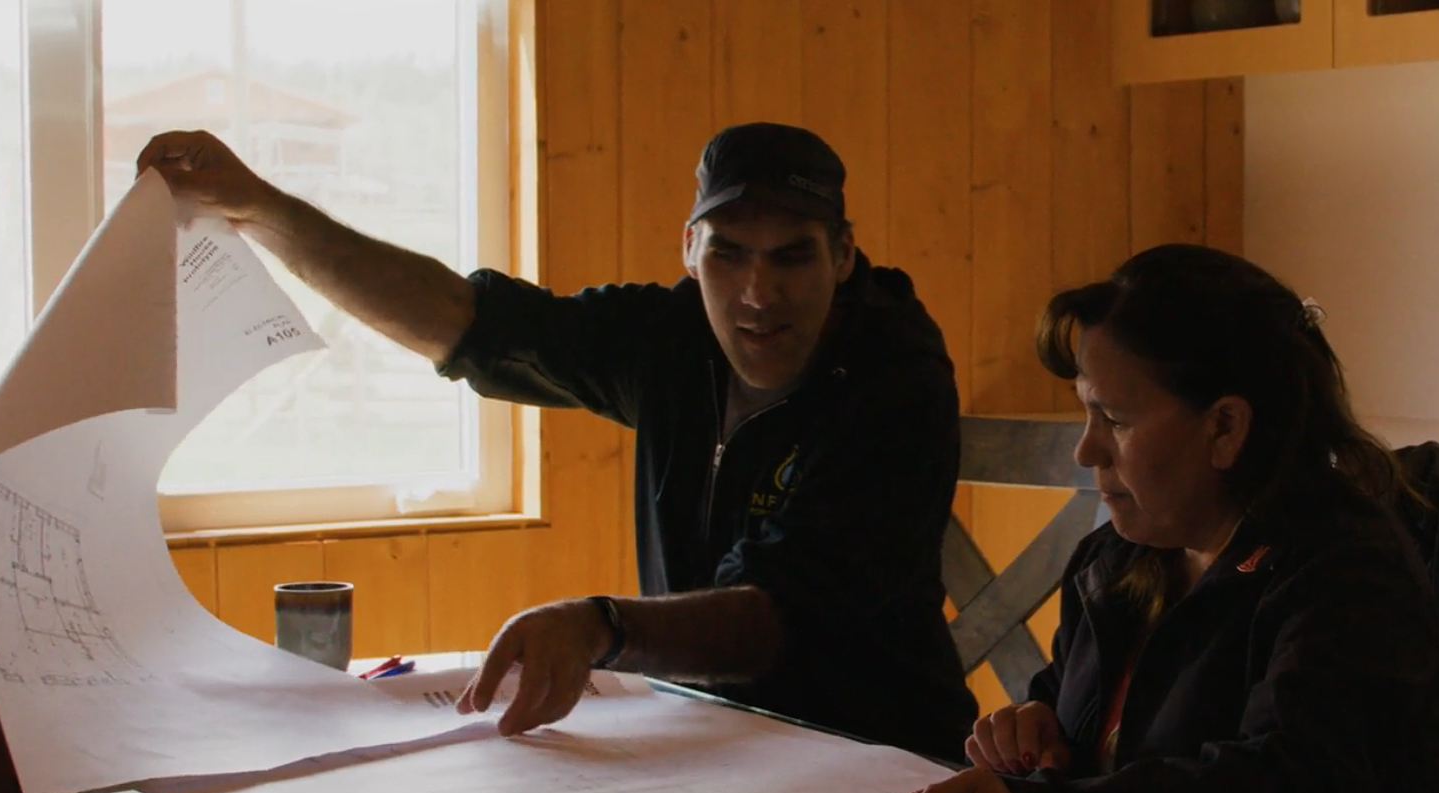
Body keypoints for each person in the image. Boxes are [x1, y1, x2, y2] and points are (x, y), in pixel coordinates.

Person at [136, 122, 978, 759]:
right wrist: (256, 207)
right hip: (710, 745)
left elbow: (781, 620)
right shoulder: (672, 339)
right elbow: (469, 325)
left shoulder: (893, 373)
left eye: (792, 257)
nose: (758, 293)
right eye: (729, 254)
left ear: (844, 254)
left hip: (880, 767)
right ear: (691, 252)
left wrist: (600, 626)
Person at [885, 244, 1439, 793]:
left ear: (1226, 427)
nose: (1086, 448)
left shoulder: (1348, 574)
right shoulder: (1117, 560)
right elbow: (1075, 751)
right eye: (1086, 411)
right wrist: (1033, 732)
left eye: (1115, 419)